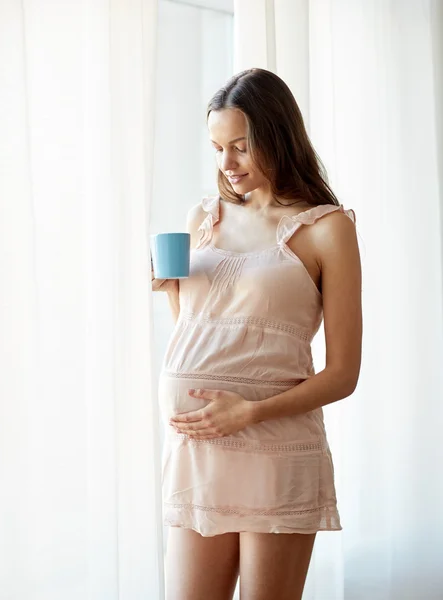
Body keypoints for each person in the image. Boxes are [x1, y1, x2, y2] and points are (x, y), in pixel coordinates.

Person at [152, 68, 362, 600]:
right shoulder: (203, 218)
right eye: (218, 147)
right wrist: (171, 289)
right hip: (199, 447)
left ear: (278, 137)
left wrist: (248, 412)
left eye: (241, 147)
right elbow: (201, 336)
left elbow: (343, 374)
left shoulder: (326, 228)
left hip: (275, 446)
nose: (227, 164)